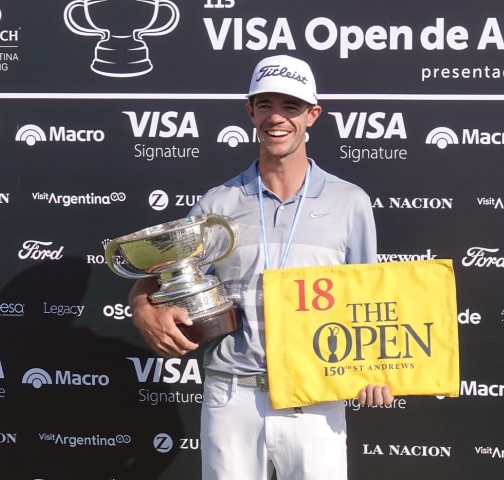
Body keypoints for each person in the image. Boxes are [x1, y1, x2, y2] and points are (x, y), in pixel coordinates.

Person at [128, 54, 393, 480]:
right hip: (231, 396)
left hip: (316, 398)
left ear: (312, 115)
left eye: (291, 106)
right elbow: (160, 276)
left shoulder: (350, 203)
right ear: (250, 111)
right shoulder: (217, 205)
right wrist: (143, 308)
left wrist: (379, 365)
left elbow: (370, 296)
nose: (277, 117)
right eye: (266, 104)